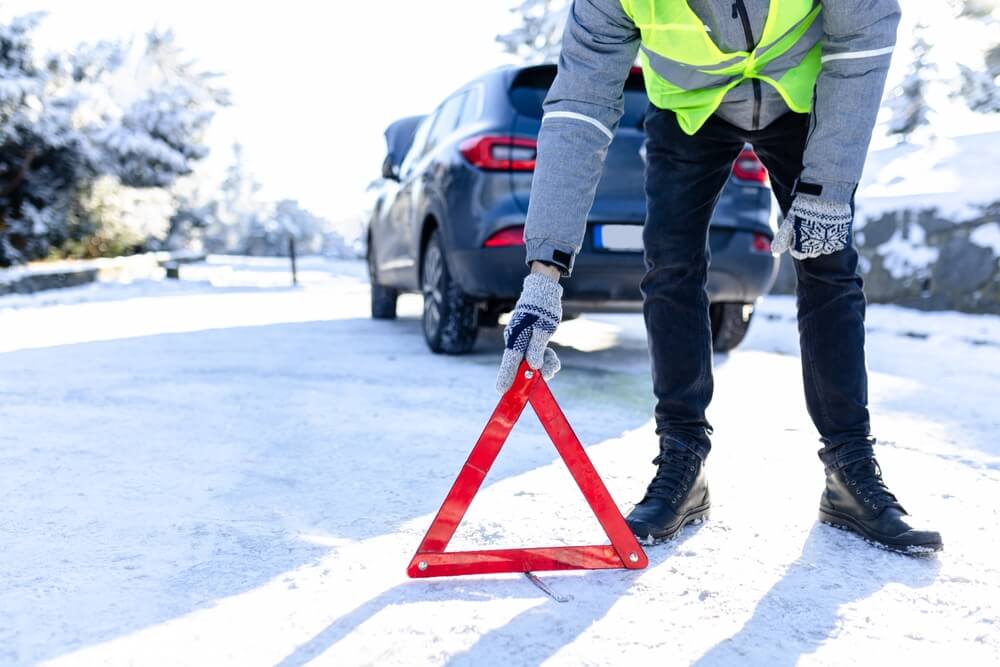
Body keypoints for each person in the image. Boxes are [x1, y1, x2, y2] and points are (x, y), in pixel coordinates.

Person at [495, 0, 942, 555]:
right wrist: (544, 274)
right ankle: (683, 461)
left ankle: (849, 470)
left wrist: (827, 189)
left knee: (828, 263)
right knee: (670, 267)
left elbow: (865, 37)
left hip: (799, 95)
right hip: (688, 110)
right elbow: (579, 109)